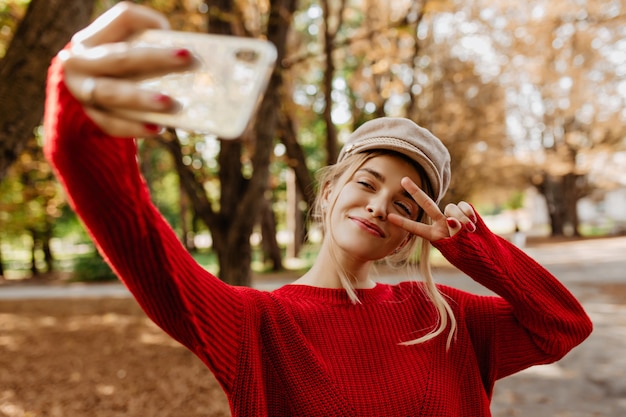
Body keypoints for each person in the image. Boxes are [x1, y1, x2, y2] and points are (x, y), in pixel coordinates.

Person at [43, 2, 592, 416]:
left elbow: (563, 325)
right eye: (367, 183)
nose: (379, 207)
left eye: (404, 203)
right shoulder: (256, 326)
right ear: (329, 192)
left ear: (410, 235)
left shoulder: (449, 319)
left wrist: (469, 245)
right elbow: (140, 241)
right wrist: (81, 123)